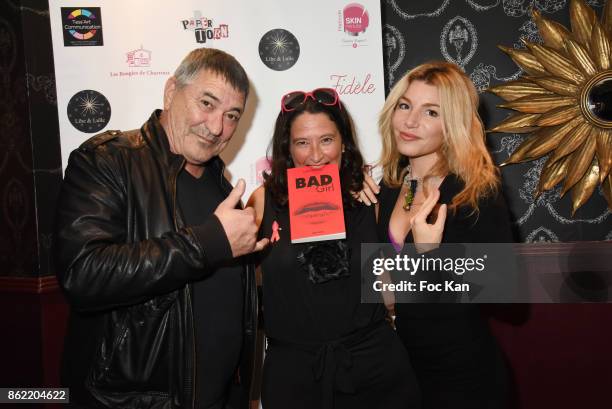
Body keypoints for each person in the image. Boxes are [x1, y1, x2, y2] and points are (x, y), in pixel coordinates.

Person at [54, 48, 268, 409]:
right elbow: (83, 273)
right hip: (134, 402)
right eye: (207, 103)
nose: (217, 127)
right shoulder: (109, 160)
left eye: (232, 115)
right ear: (171, 92)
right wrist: (208, 241)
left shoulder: (222, 185)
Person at [247, 88, 420, 409]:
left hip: (372, 367)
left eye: (326, 140)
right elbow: (248, 285)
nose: (315, 155)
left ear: (344, 143)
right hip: (294, 375)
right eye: (302, 143)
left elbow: (391, 289)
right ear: (287, 147)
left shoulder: (368, 199)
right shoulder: (262, 202)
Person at [374, 61, 514, 408]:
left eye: (431, 112)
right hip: (400, 372)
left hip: (461, 379)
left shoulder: (474, 191)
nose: (410, 121)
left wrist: (431, 254)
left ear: (451, 125)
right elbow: (386, 285)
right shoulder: (392, 186)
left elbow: (507, 297)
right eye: (405, 106)